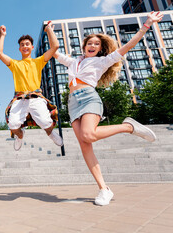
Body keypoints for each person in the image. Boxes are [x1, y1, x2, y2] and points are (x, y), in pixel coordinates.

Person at [51, 11, 162, 206]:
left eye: (96, 44)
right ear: (84, 46)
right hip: (72, 103)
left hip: (89, 98)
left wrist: (147, 25)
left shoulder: (102, 61)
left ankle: (128, 127)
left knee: (89, 135)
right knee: (85, 146)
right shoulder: (73, 61)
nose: (92, 46)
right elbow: (53, 51)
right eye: (89, 43)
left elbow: (129, 46)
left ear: (100, 49)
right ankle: (104, 189)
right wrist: (50, 30)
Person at [0, 22, 63, 151]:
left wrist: (48, 30)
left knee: (46, 122)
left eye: (27, 44)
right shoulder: (15, 64)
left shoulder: (38, 61)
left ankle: (51, 133)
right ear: (19, 49)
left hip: (35, 97)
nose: (25, 46)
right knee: (13, 124)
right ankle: (20, 136)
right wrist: (2, 35)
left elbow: (55, 46)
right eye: (22, 45)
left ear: (32, 47)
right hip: (20, 98)